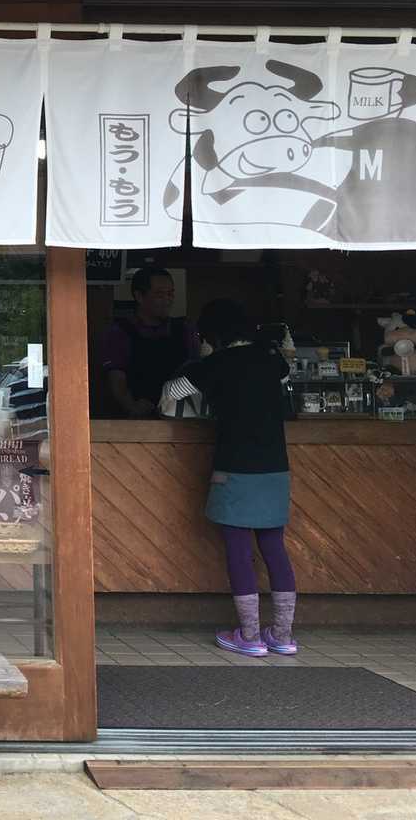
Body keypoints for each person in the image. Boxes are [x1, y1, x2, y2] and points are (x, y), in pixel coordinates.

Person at [163, 298, 298, 658]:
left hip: (234, 467)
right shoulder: (271, 359)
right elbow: (285, 377)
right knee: (274, 547)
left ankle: (250, 636)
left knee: (239, 549)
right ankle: (282, 635)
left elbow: (170, 396)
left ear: (212, 335)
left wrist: (203, 363)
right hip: (275, 467)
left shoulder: (215, 364)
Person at [100, 266, 200, 418]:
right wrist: (131, 406)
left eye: (170, 293)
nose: (167, 300)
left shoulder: (185, 329)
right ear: (139, 296)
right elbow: (116, 377)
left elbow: (196, 372)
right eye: (159, 294)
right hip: (138, 419)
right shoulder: (119, 332)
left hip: (181, 418)